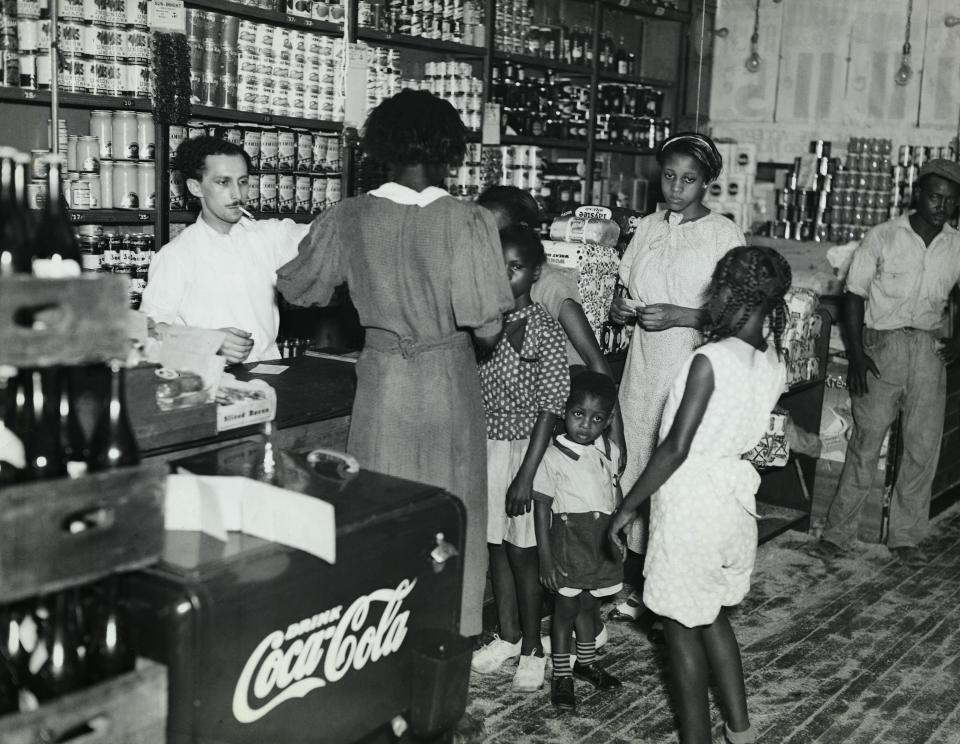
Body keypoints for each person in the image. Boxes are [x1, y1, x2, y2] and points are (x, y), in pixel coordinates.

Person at [276, 90, 514, 637]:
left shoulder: (348, 216)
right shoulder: (470, 221)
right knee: (451, 515)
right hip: (448, 386)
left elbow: (299, 291)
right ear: (447, 151)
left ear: (380, 147)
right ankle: (448, 636)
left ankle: (380, 639)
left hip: (382, 385)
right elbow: (488, 325)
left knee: (380, 513)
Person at [608, 245, 791, 744]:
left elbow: (674, 448)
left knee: (678, 629)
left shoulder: (708, 360)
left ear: (734, 294)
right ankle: (740, 731)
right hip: (734, 504)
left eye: (718, 288)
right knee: (711, 617)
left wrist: (627, 507)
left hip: (691, 506)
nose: (712, 298)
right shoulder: (771, 361)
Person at [608, 132, 746, 621]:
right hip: (643, 364)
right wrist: (622, 308)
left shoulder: (723, 235)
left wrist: (683, 316)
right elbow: (627, 288)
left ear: (706, 183)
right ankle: (627, 580)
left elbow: (739, 312)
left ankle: (664, 585)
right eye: (669, 176)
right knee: (633, 460)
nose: (676, 188)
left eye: (688, 180)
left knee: (673, 470)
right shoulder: (646, 226)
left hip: (690, 362)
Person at [819, 159, 960, 567]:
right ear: (917, 194)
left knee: (922, 448)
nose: (941, 206)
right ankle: (838, 533)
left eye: (950, 201)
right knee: (865, 442)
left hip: (929, 352)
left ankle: (906, 537)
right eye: (935, 197)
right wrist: (858, 355)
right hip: (883, 348)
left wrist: (958, 341)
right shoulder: (882, 236)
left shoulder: (955, 244)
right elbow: (854, 295)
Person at [470, 225, 569, 692]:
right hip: (488, 446)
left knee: (523, 552)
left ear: (535, 272)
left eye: (515, 268)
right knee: (494, 545)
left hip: (527, 451)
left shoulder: (545, 329)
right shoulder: (484, 325)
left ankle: (533, 646)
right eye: (498, 266)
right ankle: (508, 635)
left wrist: (525, 477)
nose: (505, 276)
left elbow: (552, 406)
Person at [477, 185, 627, 470]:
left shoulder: (547, 282)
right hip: (519, 411)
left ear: (521, 230)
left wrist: (617, 436)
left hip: (565, 410)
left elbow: (596, 362)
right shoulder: (493, 278)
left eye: (497, 231)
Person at [140, 136, 309, 363]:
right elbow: (147, 332)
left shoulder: (269, 236)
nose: (237, 194)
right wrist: (207, 341)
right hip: (207, 381)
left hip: (269, 375)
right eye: (223, 182)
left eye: (242, 181)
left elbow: (319, 236)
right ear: (195, 187)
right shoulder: (176, 256)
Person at [533, 371, 623, 710]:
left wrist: (618, 533)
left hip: (599, 545)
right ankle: (562, 675)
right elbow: (541, 509)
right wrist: (545, 558)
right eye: (578, 414)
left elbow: (615, 492)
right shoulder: (552, 456)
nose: (585, 425)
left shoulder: (609, 450)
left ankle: (584, 664)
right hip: (569, 544)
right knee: (566, 610)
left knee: (590, 606)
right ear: (564, 412)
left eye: (596, 418)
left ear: (608, 420)